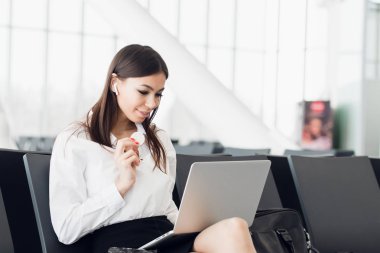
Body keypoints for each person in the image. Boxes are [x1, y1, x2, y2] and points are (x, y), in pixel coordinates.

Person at [49, 44, 257, 253]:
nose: (152, 104)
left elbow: (166, 207)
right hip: (121, 245)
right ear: (115, 83)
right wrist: (120, 187)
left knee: (235, 228)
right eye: (143, 91)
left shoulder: (159, 139)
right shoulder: (75, 141)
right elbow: (66, 229)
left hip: (165, 238)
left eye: (159, 94)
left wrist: (195, 225)